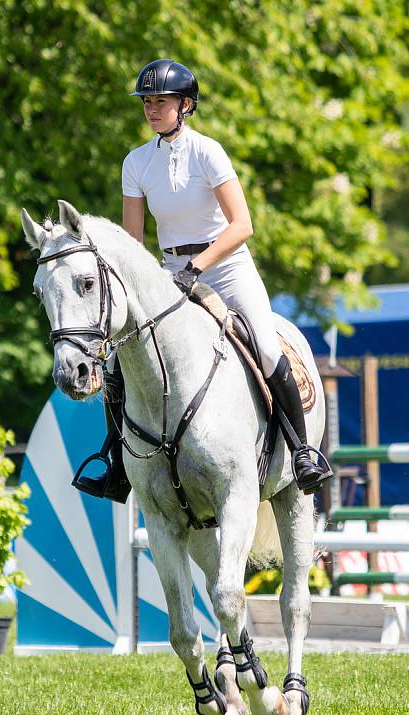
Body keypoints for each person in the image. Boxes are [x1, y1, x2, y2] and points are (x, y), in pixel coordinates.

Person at [74, 58, 329, 503]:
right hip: (169, 271)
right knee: (117, 362)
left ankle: (303, 452)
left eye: (161, 101)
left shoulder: (208, 152)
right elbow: (133, 242)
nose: (152, 109)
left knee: (267, 347)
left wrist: (198, 268)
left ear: (185, 105)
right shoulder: (135, 163)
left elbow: (242, 224)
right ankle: (115, 463)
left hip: (227, 265)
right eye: (147, 102)